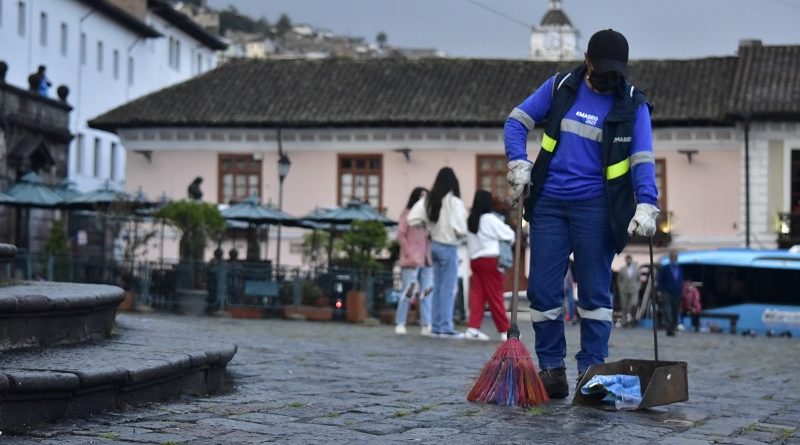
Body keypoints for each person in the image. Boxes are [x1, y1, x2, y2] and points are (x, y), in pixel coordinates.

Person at [504, 29, 659, 399]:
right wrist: (518, 164)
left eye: (614, 71)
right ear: (587, 60)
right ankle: (551, 368)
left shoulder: (633, 104)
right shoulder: (560, 87)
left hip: (598, 209)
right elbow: (517, 121)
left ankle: (591, 372)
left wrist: (647, 203)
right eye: (600, 68)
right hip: (550, 205)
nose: (607, 77)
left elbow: (642, 159)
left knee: (594, 294)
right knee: (542, 290)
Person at [408, 167, 468, 339]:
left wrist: (426, 226)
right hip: (448, 247)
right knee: (448, 289)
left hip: (433, 246)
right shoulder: (454, 202)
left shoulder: (429, 200)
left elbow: (413, 218)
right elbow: (462, 228)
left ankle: (435, 326)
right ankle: (446, 327)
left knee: (436, 288)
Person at [464, 190, 514, 341]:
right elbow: (509, 235)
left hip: (475, 261)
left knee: (477, 295)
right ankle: (505, 330)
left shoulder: (471, 219)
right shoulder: (490, 219)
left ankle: (473, 328)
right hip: (490, 260)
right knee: (495, 295)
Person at [394, 187, 434, 336]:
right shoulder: (407, 214)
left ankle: (426, 324)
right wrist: (408, 251)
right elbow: (400, 234)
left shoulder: (429, 217)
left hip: (427, 260)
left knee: (427, 293)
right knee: (408, 292)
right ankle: (400, 322)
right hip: (411, 260)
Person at [657, 250, 683, 336]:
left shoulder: (679, 269)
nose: (673, 258)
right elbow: (659, 280)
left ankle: (673, 327)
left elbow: (680, 281)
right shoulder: (665, 268)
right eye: (672, 257)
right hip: (666, 292)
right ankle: (669, 329)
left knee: (675, 311)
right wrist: (661, 291)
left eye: (675, 257)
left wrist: (680, 290)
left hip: (676, 293)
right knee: (668, 311)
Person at [616, 255, 641, 328]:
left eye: (629, 259)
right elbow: (619, 279)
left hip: (633, 289)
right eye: (627, 260)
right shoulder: (622, 269)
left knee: (634, 304)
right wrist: (620, 287)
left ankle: (633, 318)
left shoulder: (636, 269)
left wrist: (637, 287)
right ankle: (624, 322)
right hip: (624, 289)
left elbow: (638, 279)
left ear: (631, 260)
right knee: (624, 306)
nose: (628, 261)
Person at [563, 259, 577, 325]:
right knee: (564, 303)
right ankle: (566, 317)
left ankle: (570, 317)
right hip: (564, 285)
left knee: (571, 302)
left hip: (568, 285)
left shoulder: (571, 262)